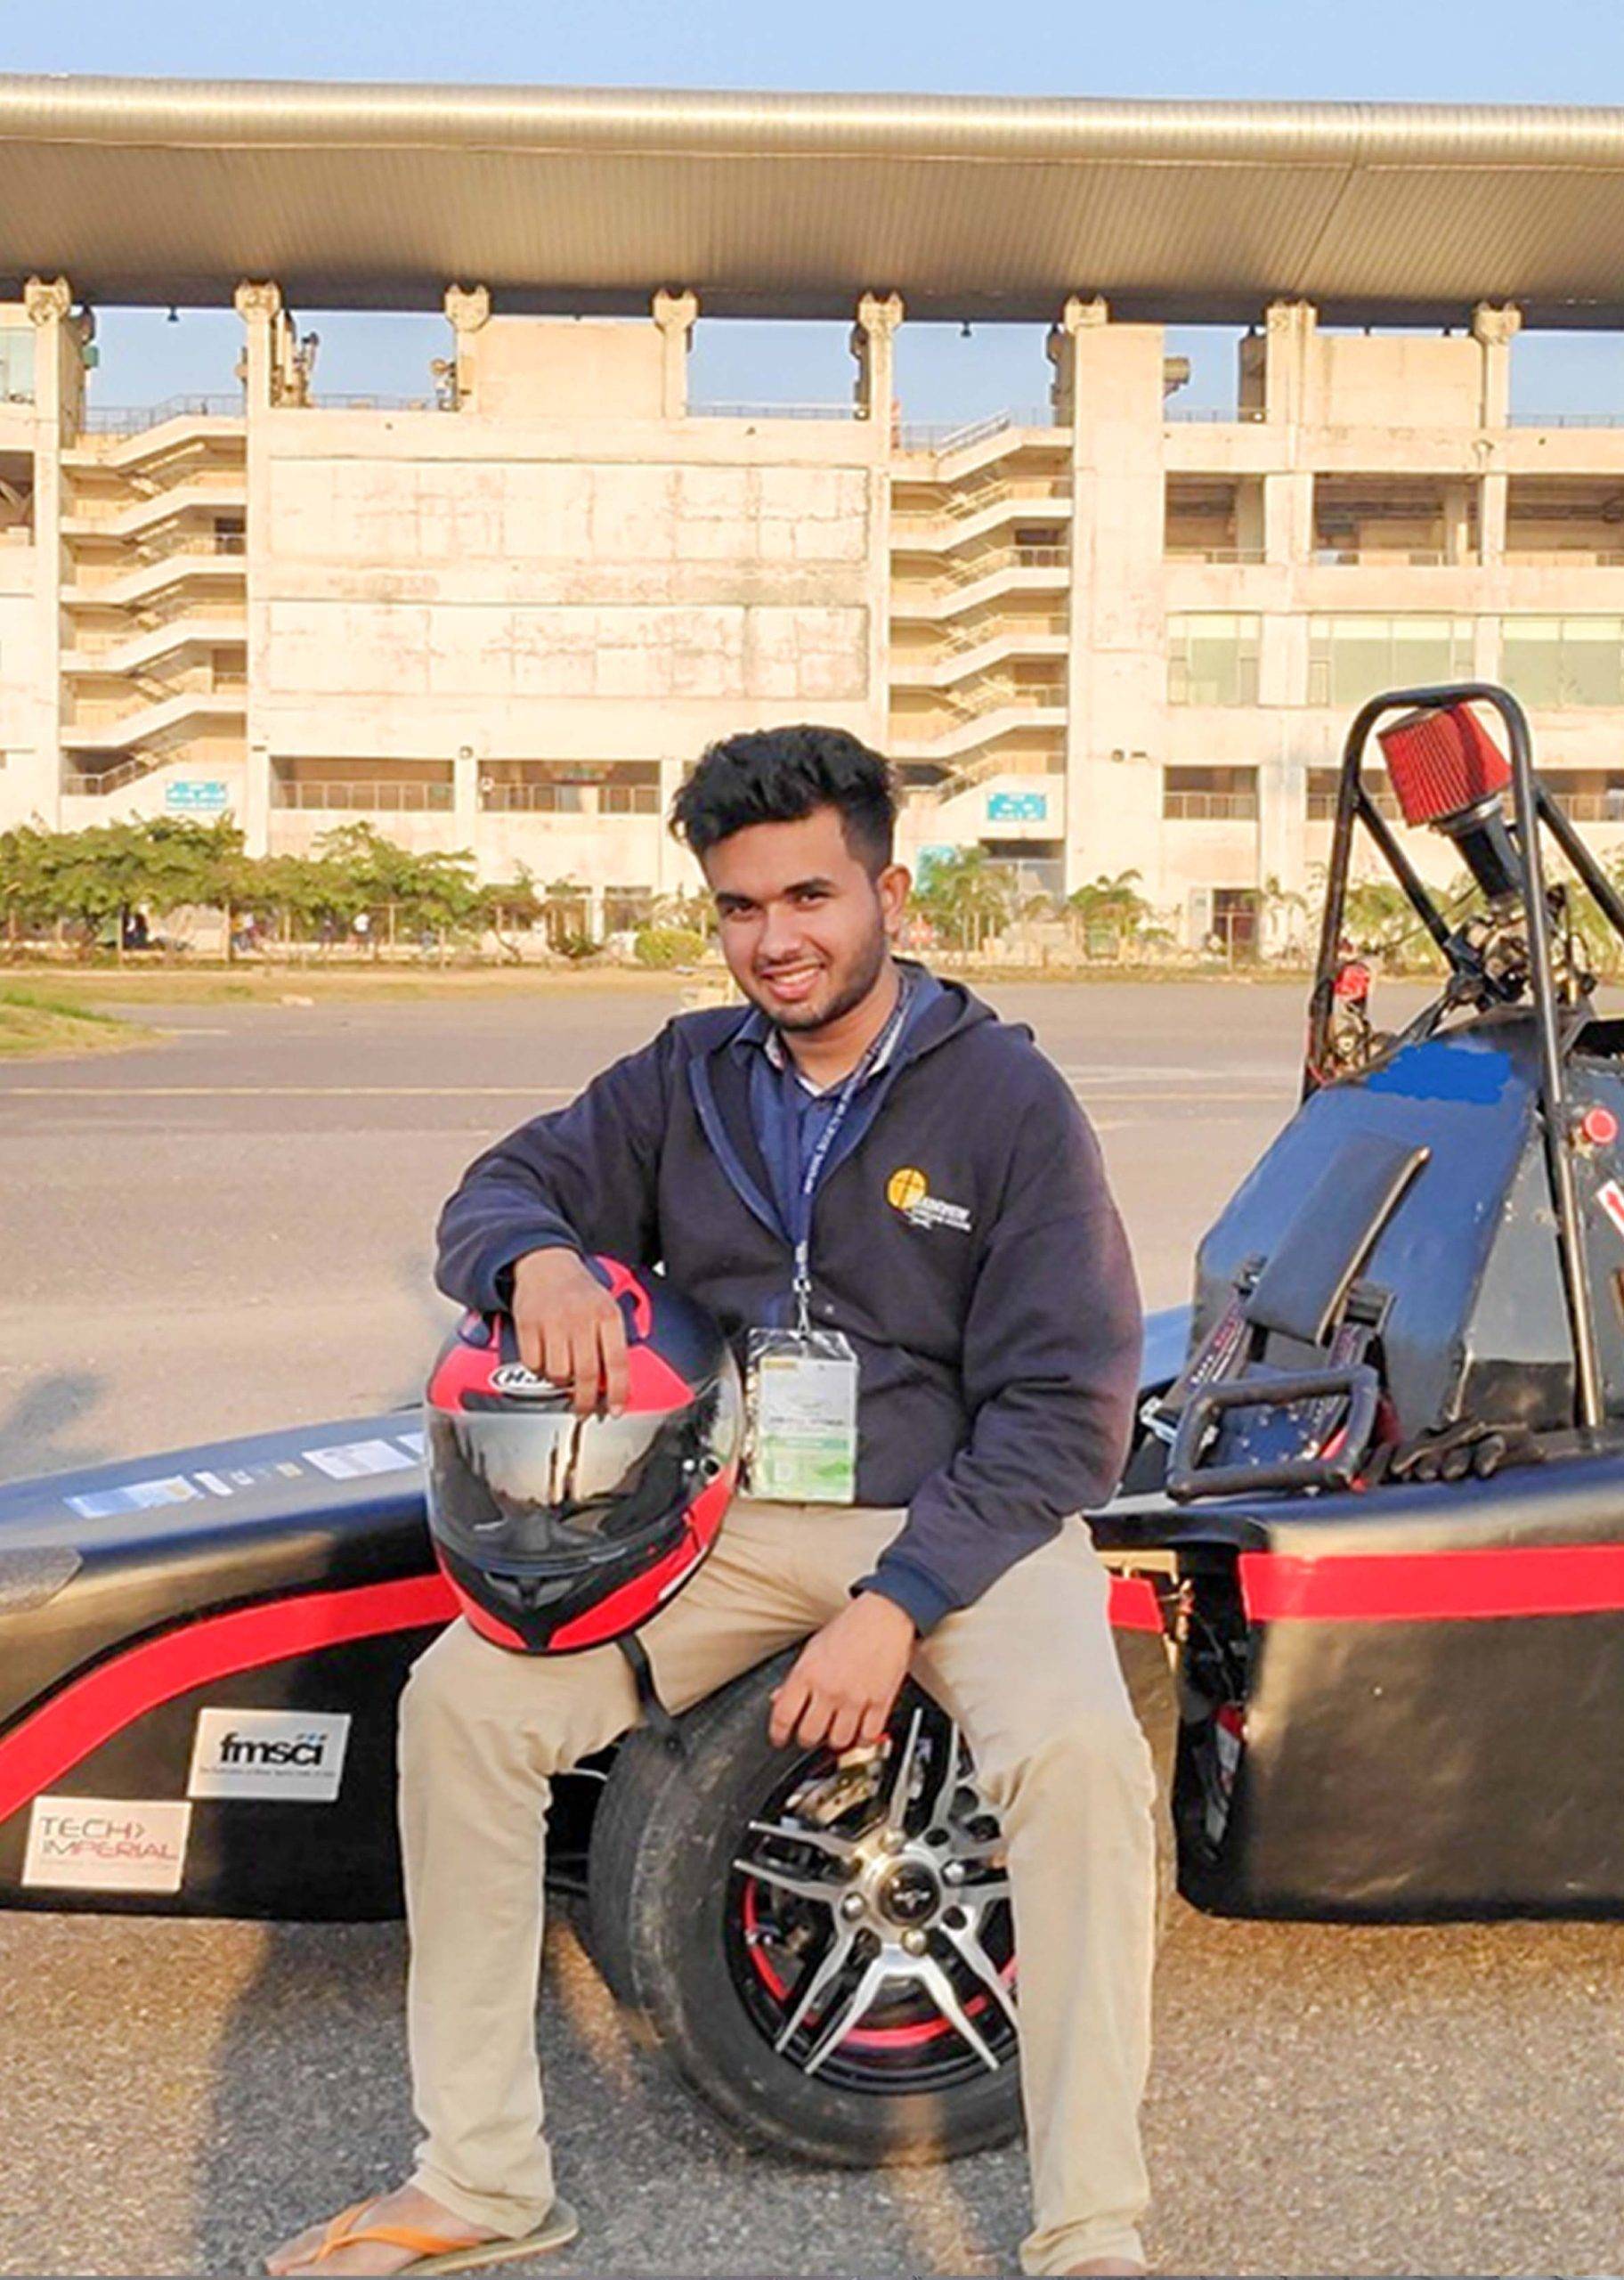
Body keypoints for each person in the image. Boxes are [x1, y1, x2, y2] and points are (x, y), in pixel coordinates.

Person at [269, 725, 1156, 2278]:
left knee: (1080, 1762)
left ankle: (1091, 2228)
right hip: (734, 1524)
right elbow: (498, 1186)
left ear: (891, 893)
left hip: (964, 1522)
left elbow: (1067, 1412)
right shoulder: (688, 1077)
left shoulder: (1009, 1102)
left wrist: (897, 1608)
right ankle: (480, 2182)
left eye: (808, 898)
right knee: (462, 1709)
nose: (774, 940)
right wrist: (532, 1260)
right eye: (740, 908)